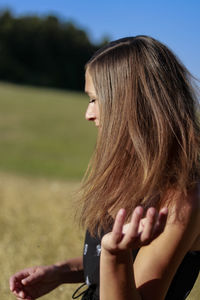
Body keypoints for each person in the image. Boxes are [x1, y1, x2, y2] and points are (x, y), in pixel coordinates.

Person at [10, 36, 200, 300]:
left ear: (131, 105)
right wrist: (60, 271)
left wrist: (115, 256)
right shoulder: (135, 170)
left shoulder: (181, 197)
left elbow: (124, 268)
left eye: (95, 100)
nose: (88, 114)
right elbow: (115, 255)